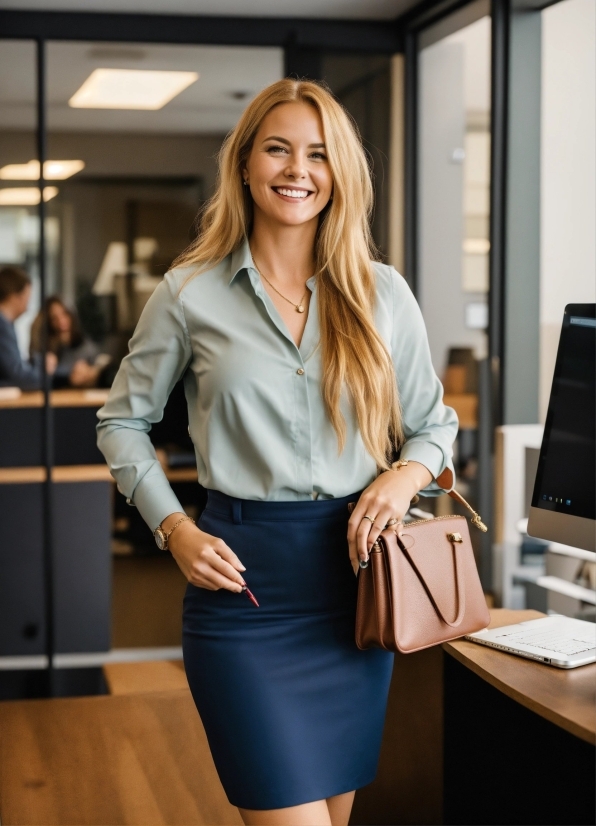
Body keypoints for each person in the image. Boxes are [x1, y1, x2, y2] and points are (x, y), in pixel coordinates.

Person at [97, 79, 458, 826]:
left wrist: (402, 476)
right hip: (244, 599)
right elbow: (120, 423)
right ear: (246, 164)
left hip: (359, 592)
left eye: (319, 154)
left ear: (340, 173)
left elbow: (434, 422)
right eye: (279, 149)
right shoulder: (188, 293)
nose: (298, 169)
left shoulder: (382, 294)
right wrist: (175, 527)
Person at [30, 296, 107, 388]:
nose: (61, 322)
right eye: (54, 318)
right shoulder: (44, 350)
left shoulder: (84, 345)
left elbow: (99, 366)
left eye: (65, 314)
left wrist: (91, 373)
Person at [0, 265, 56, 389]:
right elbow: (19, 378)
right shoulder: (2, 325)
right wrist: (45, 371)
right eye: (27, 295)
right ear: (15, 296)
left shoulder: (6, 324)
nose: (28, 302)